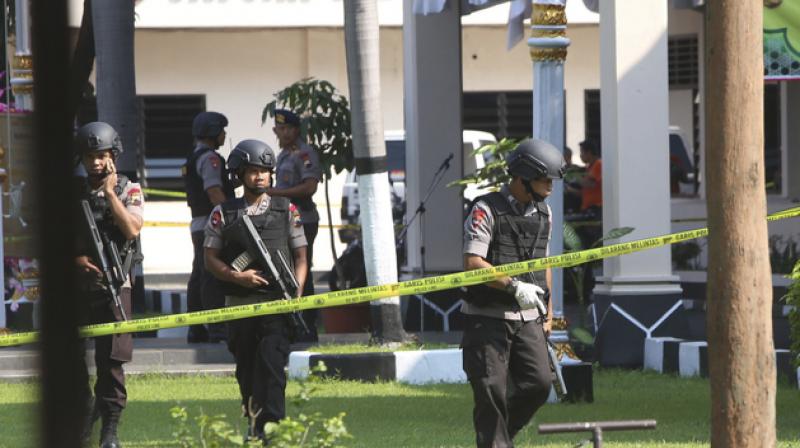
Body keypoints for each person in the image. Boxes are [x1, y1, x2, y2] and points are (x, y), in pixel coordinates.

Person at [461, 138, 565, 448]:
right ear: (523, 176)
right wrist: (513, 285)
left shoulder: (544, 213)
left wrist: (548, 310)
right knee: (491, 388)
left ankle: (498, 439)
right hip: (486, 316)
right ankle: (496, 443)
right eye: (545, 179)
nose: (550, 185)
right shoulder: (486, 209)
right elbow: (472, 263)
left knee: (538, 384)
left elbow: (544, 264)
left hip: (529, 316)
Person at [203, 139, 308, 440]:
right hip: (239, 303)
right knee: (247, 370)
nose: (260, 176)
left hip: (278, 304)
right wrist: (238, 277)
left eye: (265, 170)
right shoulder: (223, 213)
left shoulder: (286, 209)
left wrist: (296, 293)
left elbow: (301, 256)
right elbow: (210, 258)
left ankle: (272, 431)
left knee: (273, 368)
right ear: (239, 174)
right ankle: (253, 425)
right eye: (252, 171)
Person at [74, 122, 144, 448]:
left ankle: (110, 433)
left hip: (116, 285)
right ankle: (86, 411)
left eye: (101, 156)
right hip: (77, 287)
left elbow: (131, 229)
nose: (95, 163)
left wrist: (110, 195)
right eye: (90, 156)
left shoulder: (130, 189)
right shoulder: (71, 191)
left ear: (112, 157)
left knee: (112, 363)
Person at [267, 109, 322, 342]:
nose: (284, 132)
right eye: (280, 128)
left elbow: (309, 187)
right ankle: (292, 324)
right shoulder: (282, 156)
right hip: (284, 219)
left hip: (303, 218)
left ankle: (308, 326)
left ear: (296, 130)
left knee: (302, 271)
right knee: (286, 271)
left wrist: (276, 192)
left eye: (288, 128)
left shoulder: (304, 154)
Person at [183, 111, 234, 343]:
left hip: (198, 223)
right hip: (212, 224)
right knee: (213, 275)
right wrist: (231, 220)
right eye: (222, 130)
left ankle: (195, 328)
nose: (224, 135)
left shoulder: (193, 157)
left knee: (199, 275)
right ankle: (216, 328)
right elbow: (214, 192)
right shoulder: (210, 159)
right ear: (213, 132)